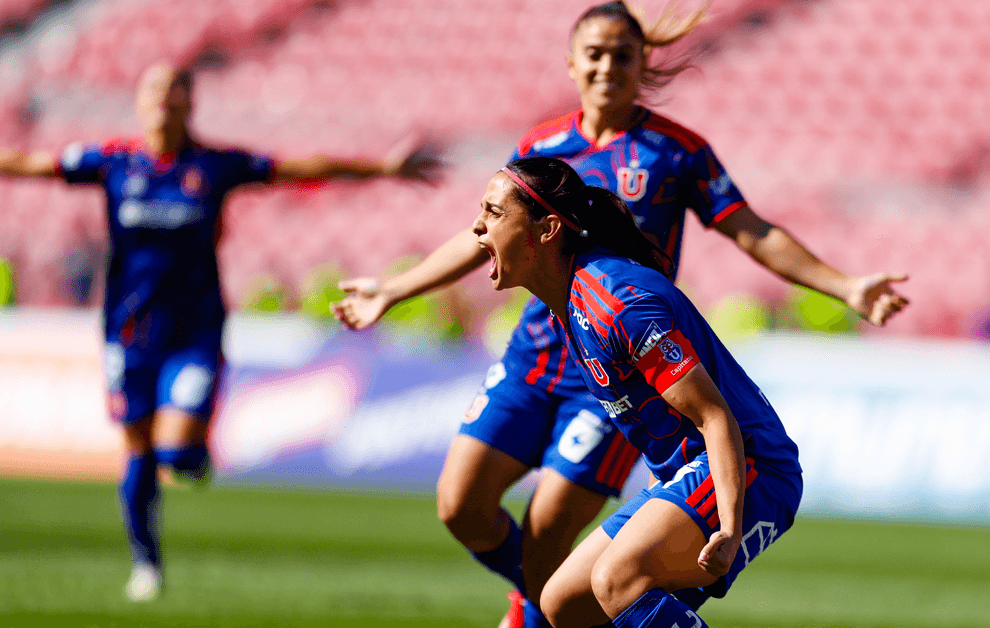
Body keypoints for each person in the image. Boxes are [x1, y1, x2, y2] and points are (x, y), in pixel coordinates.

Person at [332, 3, 908, 626]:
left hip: (627, 364)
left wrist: (843, 286)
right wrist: (394, 290)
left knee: (568, 542)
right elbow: (487, 236)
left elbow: (750, 230)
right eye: (595, 53)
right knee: (477, 519)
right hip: (546, 347)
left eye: (622, 54)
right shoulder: (541, 152)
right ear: (572, 64)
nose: (608, 66)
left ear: (642, 65)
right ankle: (545, 607)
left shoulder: (670, 164)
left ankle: (540, 612)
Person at [0, 62, 439, 602]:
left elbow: (301, 167)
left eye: (174, 89)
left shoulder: (213, 166)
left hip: (195, 332)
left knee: (176, 453)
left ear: (191, 102)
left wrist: (382, 168)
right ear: (139, 102)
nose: (163, 98)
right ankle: (145, 561)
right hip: (128, 331)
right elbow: (31, 163)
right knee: (135, 445)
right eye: (154, 88)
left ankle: (193, 453)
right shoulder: (115, 162)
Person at [474, 156, 811, 628]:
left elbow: (714, 418)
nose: (476, 228)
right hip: (688, 472)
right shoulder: (567, 305)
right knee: (563, 602)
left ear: (547, 229)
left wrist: (730, 530)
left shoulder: (616, 303)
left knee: (617, 578)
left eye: (493, 213)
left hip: (749, 465)